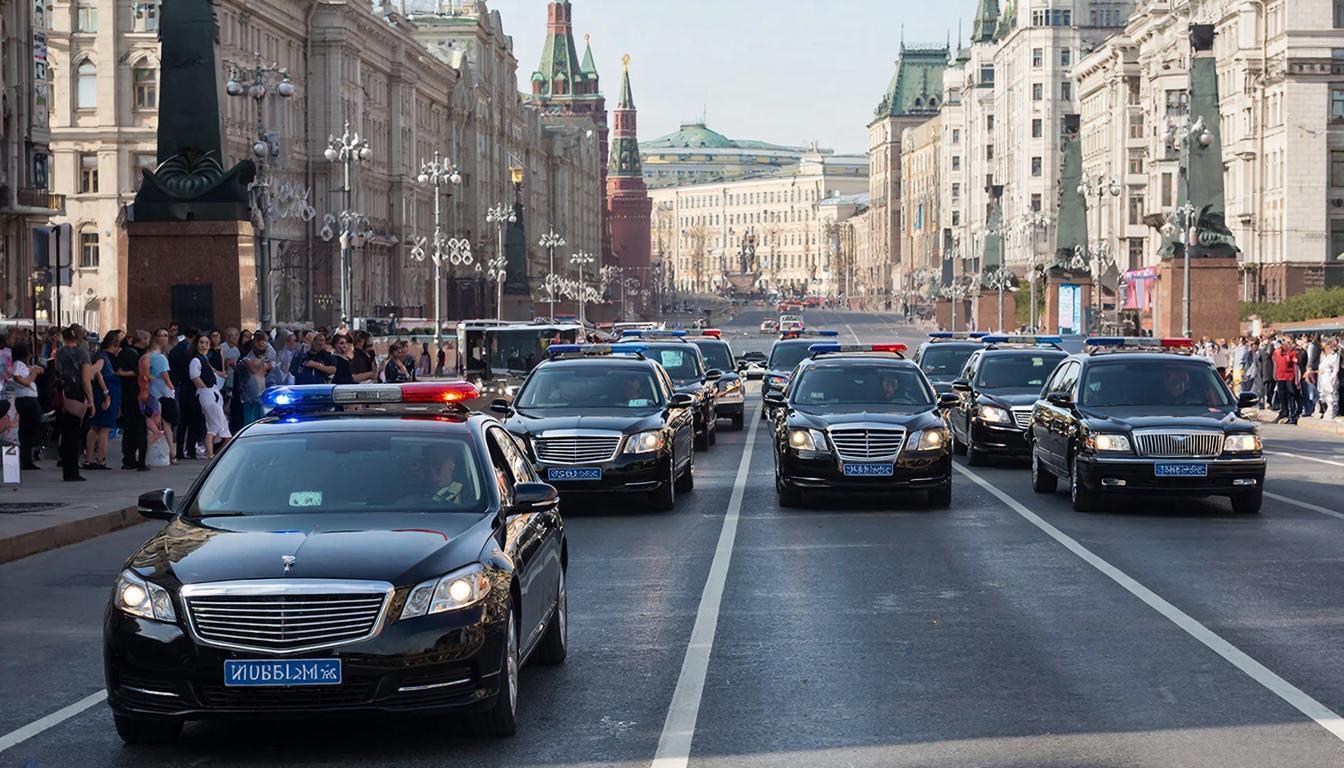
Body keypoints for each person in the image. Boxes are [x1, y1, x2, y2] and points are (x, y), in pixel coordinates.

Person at [55, 324, 95, 481]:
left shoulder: (59, 352)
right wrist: (91, 400)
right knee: (76, 434)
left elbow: (58, 371)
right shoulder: (82, 353)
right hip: (78, 394)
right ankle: (73, 471)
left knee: (66, 434)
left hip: (64, 392)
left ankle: (67, 469)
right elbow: (86, 379)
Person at [188, 334, 230, 459]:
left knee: (222, 425)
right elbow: (194, 377)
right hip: (207, 393)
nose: (204, 345)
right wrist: (205, 388)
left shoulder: (205, 359)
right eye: (201, 342)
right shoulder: (196, 360)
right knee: (214, 424)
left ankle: (217, 453)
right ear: (197, 344)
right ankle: (210, 453)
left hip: (213, 392)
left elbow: (216, 373)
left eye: (206, 343)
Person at [84, 334, 120, 471]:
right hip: (106, 394)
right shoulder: (103, 357)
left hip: (103, 393)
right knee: (104, 428)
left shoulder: (101, 356)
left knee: (95, 427)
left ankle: (89, 459)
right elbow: (95, 372)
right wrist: (105, 391)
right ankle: (100, 459)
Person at [115, 330, 149, 470]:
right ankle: (139, 461)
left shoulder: (126, 353)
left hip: (129, 395)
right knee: (139, 428)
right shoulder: (133, 354)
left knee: (130, 428)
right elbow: (139, 372)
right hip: (137, 394)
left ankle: (129, 459)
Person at [168, 327, 200, 460]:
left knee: (183, 422)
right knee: (193, 421)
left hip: (180, 385)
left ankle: (180, 450)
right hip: (190, 387)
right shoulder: (191, 353)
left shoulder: (176, 349)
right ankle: (191, 449)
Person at [10, 342, 43, 470]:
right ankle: (26, 459)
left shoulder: (25, 365)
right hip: (25, 399)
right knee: (28, 429)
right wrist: (30, 378)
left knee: (30, 428)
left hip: (30, 398)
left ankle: (28, 458)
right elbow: (18, 377)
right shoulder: (18, 364)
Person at [237, 330, 276, 427]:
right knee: (251, 427)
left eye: (264, 341)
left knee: (266, 426)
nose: (261, 343)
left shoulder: (269, 359)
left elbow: (264, 370)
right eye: (258, 340)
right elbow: (256, 371)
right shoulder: (244, 359)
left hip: (266, 399)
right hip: (249, 400)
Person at [1272, 338, 1301, 424]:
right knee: (1282, 396)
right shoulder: (1276, 352)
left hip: (1289, 377)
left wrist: (1296, 379)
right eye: (1284, 342)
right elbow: (1275, 364)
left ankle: (1292, 415)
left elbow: (1295, 365)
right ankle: (1284, 412)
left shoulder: (1292, 353)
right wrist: (1274, 374)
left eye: (1288, 343)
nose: (1285, 344)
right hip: (1280, 377)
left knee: (1290, 395)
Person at [1317, 340, 1339, 419]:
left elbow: (1335, 369)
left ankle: (1332, 411)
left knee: (1331, 396)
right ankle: (1324, 410)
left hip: (1329, 377)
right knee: (1323, 395)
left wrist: (1332, 379)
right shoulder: (1322, 355)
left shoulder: (1334, 355)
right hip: (1322, 378)